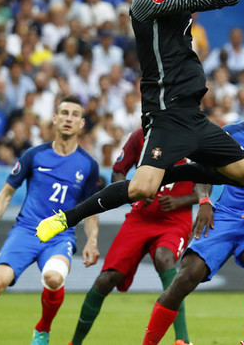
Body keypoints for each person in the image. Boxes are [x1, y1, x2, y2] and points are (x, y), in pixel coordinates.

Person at [35, 0, 244, 242]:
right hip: (165, 115)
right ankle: (67, 217)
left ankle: (166, 168)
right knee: (141, 188)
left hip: (194, 117)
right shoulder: (143, 1)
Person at [143, 76, 244, 345]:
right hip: (223, 217)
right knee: (185, 278)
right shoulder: (231, 132)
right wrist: (205, 202)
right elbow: (203, 170)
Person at [0, 96, 101, 345]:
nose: (68, 118)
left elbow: (90, 209)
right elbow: (6, 192)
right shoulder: (34, 155)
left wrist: (92, 240)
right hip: (26, 230)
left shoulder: (88, 165)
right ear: (54, 119)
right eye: (64, 113)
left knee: (54, 277)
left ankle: (43, 328)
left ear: (81, 123)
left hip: (59, 235)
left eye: (75, 115)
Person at [70, 128, 209, 345]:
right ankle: (75, 342)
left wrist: (181, 201)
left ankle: (182, 339)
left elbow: (205, 180)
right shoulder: (141, 135)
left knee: (164, 257)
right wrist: (134, 197)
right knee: (106, 279)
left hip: (175, 220)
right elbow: (118, 172)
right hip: (140, 217)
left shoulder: (193, 134)